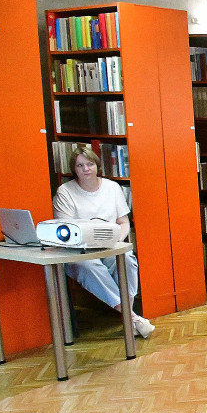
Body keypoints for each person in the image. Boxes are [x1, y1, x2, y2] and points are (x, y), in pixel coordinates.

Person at [52, 145, 154, 338]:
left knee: (127, 260)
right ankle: (132, 318)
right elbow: (66, 229)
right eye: (80, 165)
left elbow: (123, 222)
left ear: (97, 165)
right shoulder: (65, 192)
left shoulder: (112, 188)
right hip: (79, 252)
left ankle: (129, 317)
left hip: (110, 246)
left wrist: (116, 240)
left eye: (90, 164)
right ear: (74, 168)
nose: (86, 169)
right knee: (89, 267)